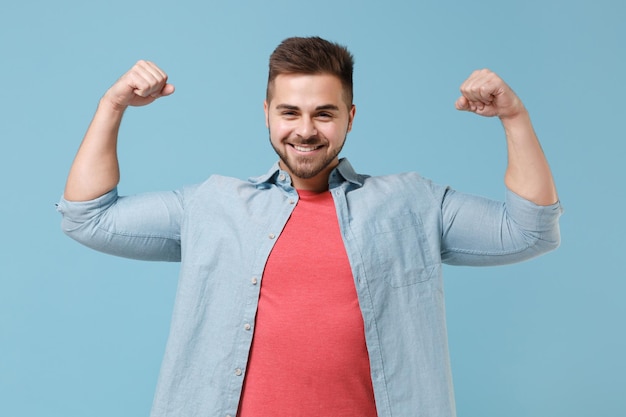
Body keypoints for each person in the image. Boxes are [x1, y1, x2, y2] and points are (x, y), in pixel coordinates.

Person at [57, 36, 562, 417]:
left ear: (350, 117)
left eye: (324, 113)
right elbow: (88, 217)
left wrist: (513, 117)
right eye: (289, 112)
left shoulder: (411, 204)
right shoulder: (212, 206)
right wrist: (113, 105)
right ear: (267, 114)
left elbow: (529, 231)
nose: (305, 129)